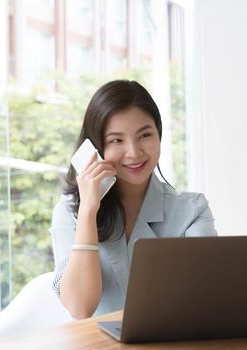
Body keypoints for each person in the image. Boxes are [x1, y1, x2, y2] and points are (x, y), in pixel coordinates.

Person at [50, 80, 217, 319]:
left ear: (159, 134)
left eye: (145, 135)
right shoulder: (70, 211)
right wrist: (88, 210)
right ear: (96, 148)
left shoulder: (192, 211)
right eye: (117, 140)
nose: (134, 152)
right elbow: (80, 307)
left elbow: (207, 294)